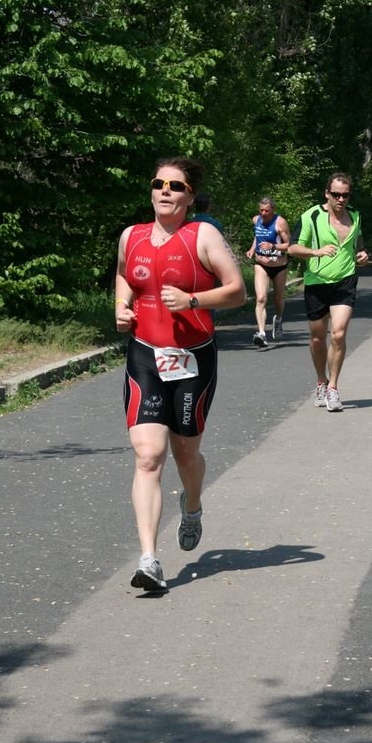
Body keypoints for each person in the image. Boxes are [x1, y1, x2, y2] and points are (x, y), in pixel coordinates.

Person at [115, 157, 246, 591]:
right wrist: (121, 306)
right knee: (149, 455)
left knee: (185, 454)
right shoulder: (130, 237)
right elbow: (124, 277)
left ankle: (192, 505)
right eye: (159, 183)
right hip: (146, 356)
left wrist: (193, 301)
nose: (165, 191)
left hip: (192, 357)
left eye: (176, 186)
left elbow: (237, 291)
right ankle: (149, 558)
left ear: (190, 196)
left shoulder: (202, 235)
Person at [287, 172, 369, 412]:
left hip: (345, 280)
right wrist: (316, 252)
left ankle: (333, 387)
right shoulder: (311, 216)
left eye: (345, 195)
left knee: (339, 334)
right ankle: (321, 381)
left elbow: (359, 244)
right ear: (327, 194)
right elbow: (292, 247)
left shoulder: (355, 215)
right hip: (316, 282)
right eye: (336, 195)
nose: (341, 199)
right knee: (317, 337)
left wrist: (362, 255)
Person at [245, 197, 290, 346]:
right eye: (261, 210)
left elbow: (290, 245)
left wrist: (273, 247)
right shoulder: (256, 220)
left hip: (279, 266)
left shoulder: (280, 223)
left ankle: (278, 319)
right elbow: (257, 236)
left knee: (278, 299)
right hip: (261, 264)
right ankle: (262, 333)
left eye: (267, 211)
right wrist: (252, 249)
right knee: (261, 298)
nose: (263, 213)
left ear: (273, 210)